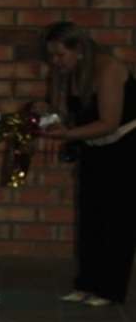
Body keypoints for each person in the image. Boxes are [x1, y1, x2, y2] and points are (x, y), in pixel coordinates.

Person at [41, 21, 136, 306]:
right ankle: (86, 284)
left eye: (60, 55)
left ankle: (110, 289)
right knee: (91, 218)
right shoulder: (65, 73)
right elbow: (61, 112)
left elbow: (108, 123)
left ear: (79, 49)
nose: (56, 61)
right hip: (95, 148)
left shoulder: (108, 70)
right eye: (51, 56)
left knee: (117, 220)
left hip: (125, 149)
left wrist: (67, 135)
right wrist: (45, 114)